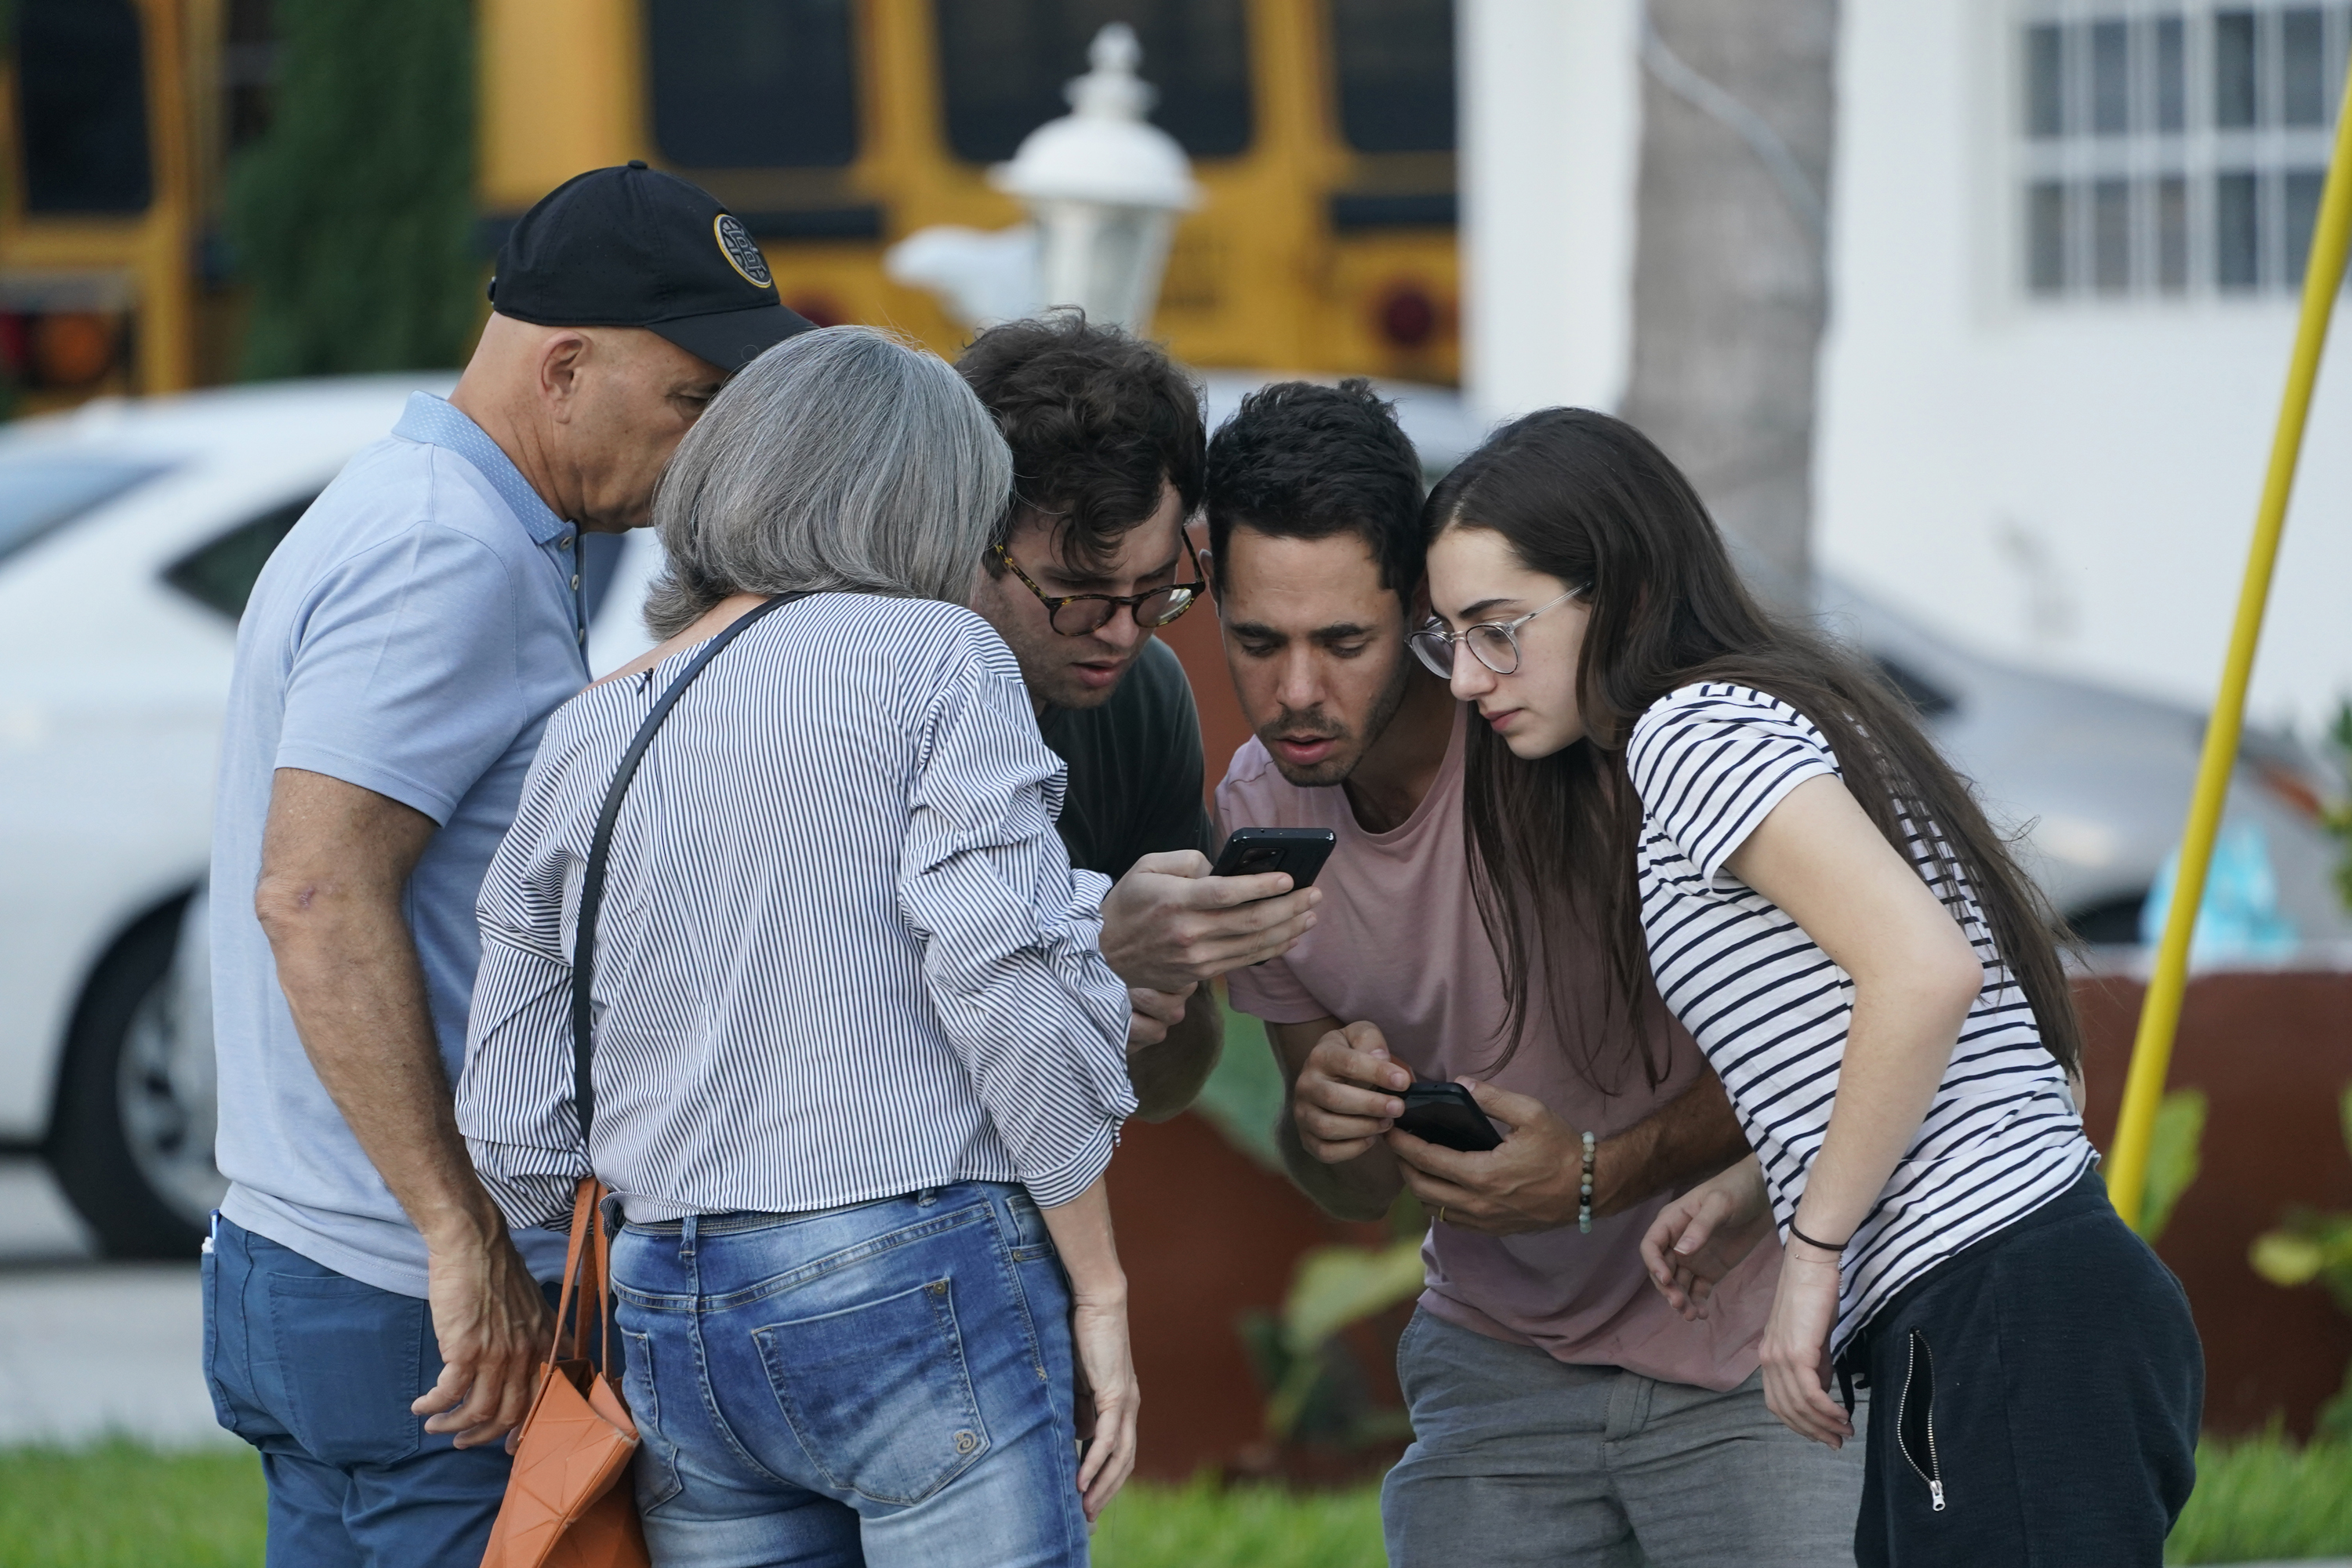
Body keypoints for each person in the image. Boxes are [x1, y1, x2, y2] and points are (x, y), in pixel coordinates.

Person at [1417, 407, 2202, 1565]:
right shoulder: (1769, 712)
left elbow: (1925, 973)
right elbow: (1997, 1028)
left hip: (1997, 1312)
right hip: (2015, 1305)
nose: (1470, 679)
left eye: (1498, 629)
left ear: (1620, 593)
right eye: (1446, 639)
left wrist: (1815, 1254)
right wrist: (1754, 1190)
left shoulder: (1691, 734)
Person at [203, 163, 813, 1564]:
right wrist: (458, 1229)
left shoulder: (426, 507)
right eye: (691, 402)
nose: (706, 450)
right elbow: (312, 890)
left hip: (320, 1256)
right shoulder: (446, 548)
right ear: (564, 365)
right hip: (399, 1284)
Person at [459, 325, 1138, 1566]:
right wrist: (1101, 1285)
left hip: (670, 1303)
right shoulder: (939, 659)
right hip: (912, 1268)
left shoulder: (595, 725)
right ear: (936, 508)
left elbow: (510, 1124)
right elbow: (1000, 978)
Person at [1203, 380, 1868, 1566]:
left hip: (1750, 1346)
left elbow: (1829, 1029)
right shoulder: (1256, 807)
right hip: (1497, 1365)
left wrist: (1603, 1173)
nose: (1297, 692)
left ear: (1419, 608)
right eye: (1258, 643)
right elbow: (1349, 1190)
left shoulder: (1568, 734)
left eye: (1344, 643)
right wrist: (1330, 1122)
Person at [958, 314, 1319, 1118]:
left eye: (1156, 589)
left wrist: (1146, 1002)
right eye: (1077, 591)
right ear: (971, 536)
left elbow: (1168, 1084)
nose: (1123, 631)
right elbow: (820, 1063)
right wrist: (1093, 962)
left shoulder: (1143, 697)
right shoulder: (851, 696)